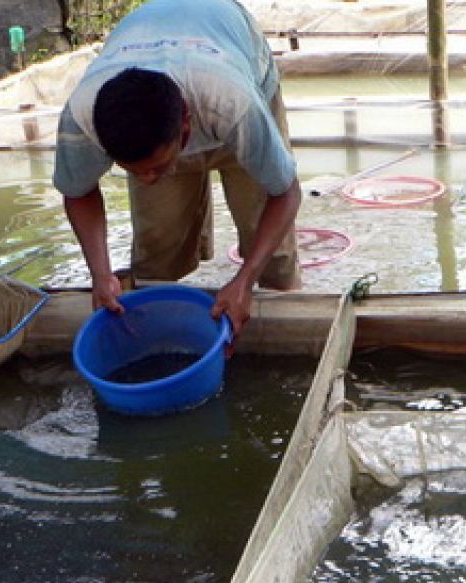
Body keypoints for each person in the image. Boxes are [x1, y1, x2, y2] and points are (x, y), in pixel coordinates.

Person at [53, 0, 300, 337]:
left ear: (186, 125)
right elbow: (77, 191)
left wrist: (245, 280)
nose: (146, 179)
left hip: (226, 54)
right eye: (133, 170)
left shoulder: (235, 105)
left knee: (270, 254)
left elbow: (286, 191)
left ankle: (272, 311)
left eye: (155, 168)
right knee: (157, 252)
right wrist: (101, 274)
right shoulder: (83, 117)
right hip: (166, 75)